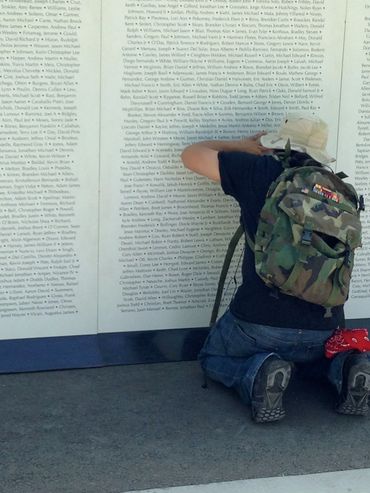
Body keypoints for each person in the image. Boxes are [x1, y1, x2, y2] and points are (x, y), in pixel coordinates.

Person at [181, 114, 370, 423]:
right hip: (325, 327)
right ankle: (348, 367)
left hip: (259, 324)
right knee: (312, 361)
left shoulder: (261, 172)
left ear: (276, 147)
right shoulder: (338, 189)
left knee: (213, 355)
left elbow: (190, 154)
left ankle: (257, 373)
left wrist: (241, 146)